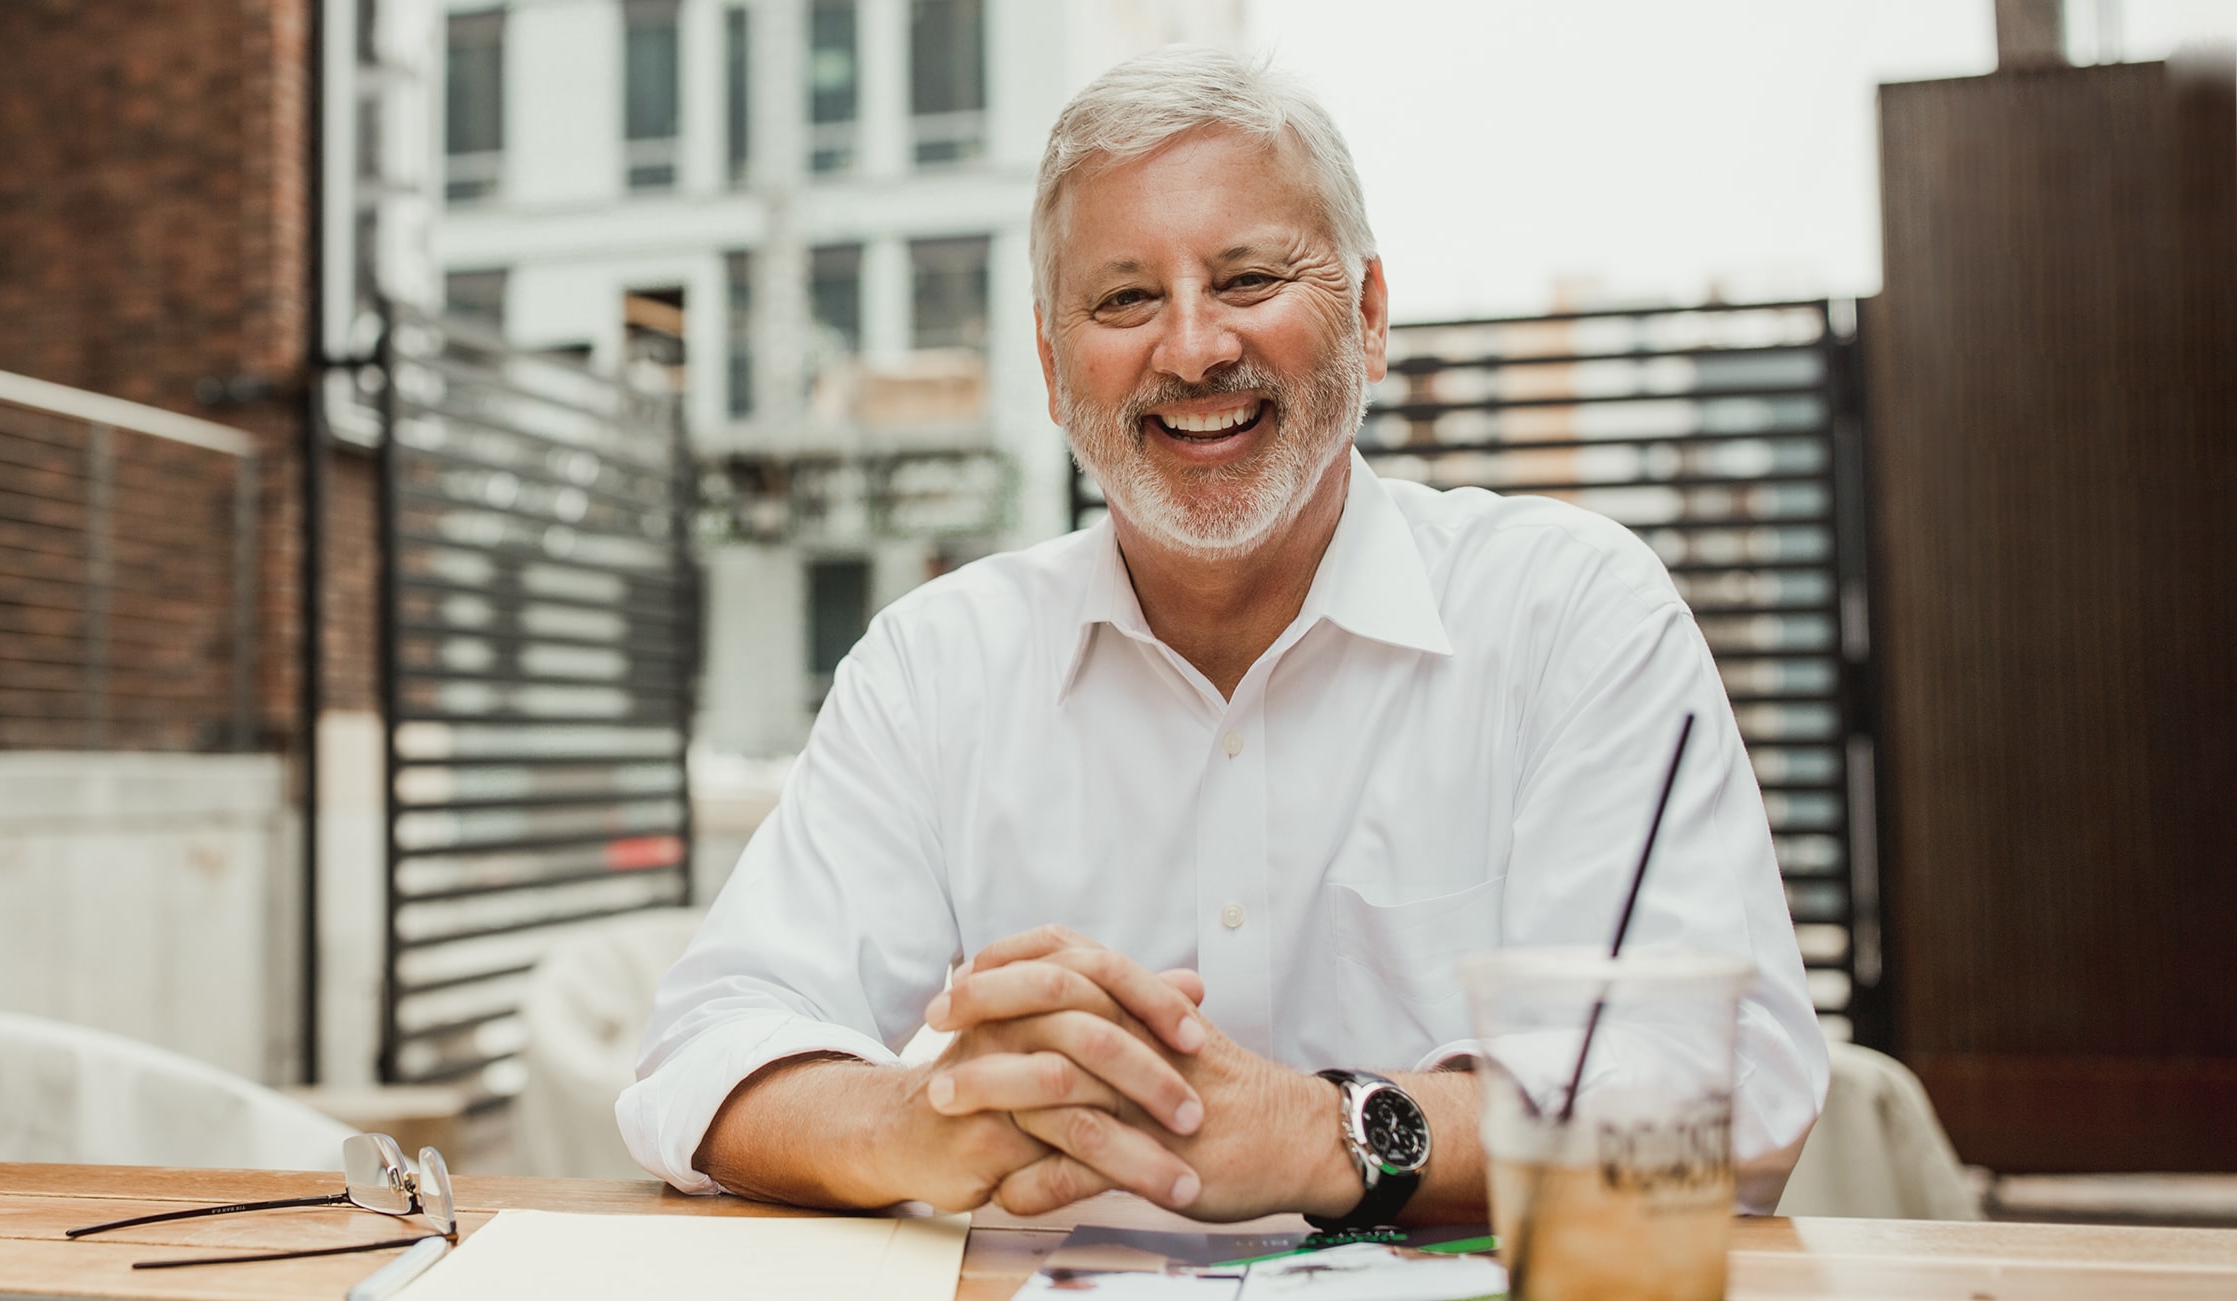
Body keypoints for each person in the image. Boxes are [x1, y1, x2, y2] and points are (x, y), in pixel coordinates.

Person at [619, 47, 1828, 1225]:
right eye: (1126, 298)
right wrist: (923, 1119)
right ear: (1050, 365)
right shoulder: (933, 666)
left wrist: (1321, 1132)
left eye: (1248, 280)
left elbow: (1737, 1088)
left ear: (1367, 317)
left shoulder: (1572, 616)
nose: (1192, 348)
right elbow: (707, 1053)